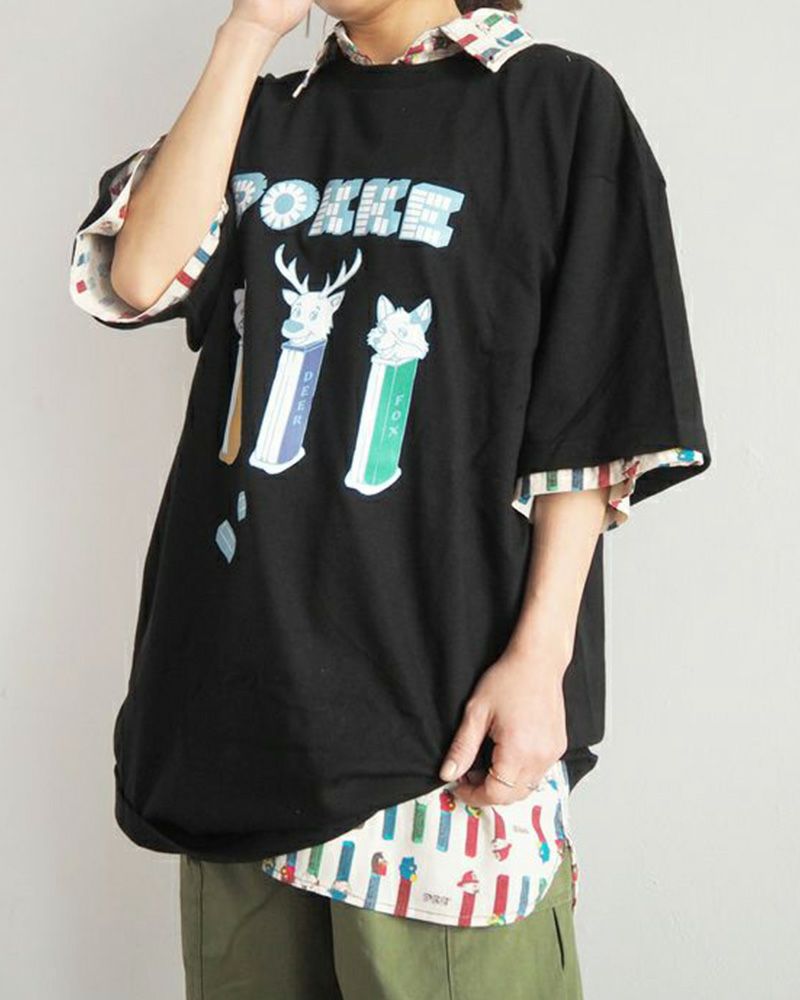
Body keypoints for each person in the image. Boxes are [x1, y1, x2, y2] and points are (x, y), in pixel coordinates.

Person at [68, 1, 711, 997]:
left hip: (440, 737)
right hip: (234, 717)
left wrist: (540, 660)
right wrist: (245, 35)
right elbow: (142, 275)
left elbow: (592, 409)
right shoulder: (261, 112)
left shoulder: (552, 102)